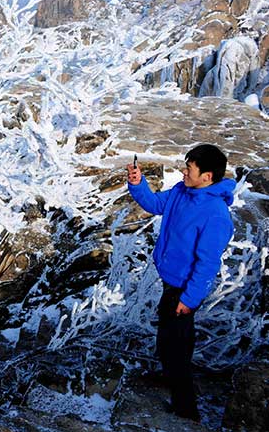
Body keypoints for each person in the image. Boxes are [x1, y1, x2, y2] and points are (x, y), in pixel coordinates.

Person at [126, 144, 235, 423]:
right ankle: (169, 377)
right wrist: (138, 184)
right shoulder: (180, 192)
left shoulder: (215, 214)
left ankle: (187, 411)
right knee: (170, 339)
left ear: (207, 177)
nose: (184, 172)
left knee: (176, 346)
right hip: (170, 284)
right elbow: (154, 204)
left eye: (189, 169)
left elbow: (207, 264)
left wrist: (189, 299)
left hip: (184, 290)